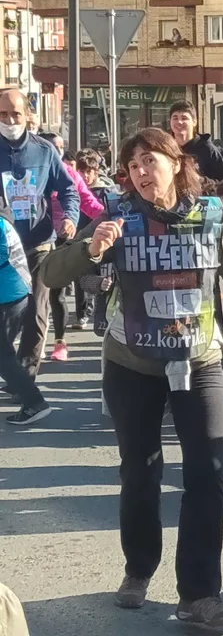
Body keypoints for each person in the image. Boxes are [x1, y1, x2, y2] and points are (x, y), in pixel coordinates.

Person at [40, 127, 223, 629]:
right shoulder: (119, 218)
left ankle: (199, 594)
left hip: (200, 361)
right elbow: (50, 274)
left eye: (149, 160)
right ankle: (138, 567)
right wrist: (91, 250)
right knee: (140, 472)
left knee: (208, 473)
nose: (141, 172)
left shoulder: (209, 217)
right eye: (132, 166)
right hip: (132, 364)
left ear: (176, 163)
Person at [0, 90, 78, 425]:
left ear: (28, 115)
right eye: (3, 114)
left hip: (38, 246)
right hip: (3, 252)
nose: (10, 121)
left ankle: (25, 382)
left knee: (36, 313)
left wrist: (69, 217)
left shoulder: (44, 151)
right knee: (7, 321)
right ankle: (15, 374)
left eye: (15, 114)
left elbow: (69, 189)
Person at [46, 150, 105, 358]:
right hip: (34, 238)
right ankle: (30, 343)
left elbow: (88, 202)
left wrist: (112, 217)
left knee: (57, 293)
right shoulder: (30, 168)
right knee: (33, 295)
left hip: (63, 237)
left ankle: (59, 343)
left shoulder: (69, 173)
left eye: (58, 148)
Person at [0, 204, 52, 425]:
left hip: (6, 294)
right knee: (4, 353)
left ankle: (35, 402)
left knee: (2, 356)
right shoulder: (3, 219)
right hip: (15, 292)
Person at [169, 100, 223, 182]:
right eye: (175, 118)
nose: (179, 122)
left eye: (184, 118)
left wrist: (201, 180)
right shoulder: (166, 148)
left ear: (194, 122)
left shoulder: (208, 150)